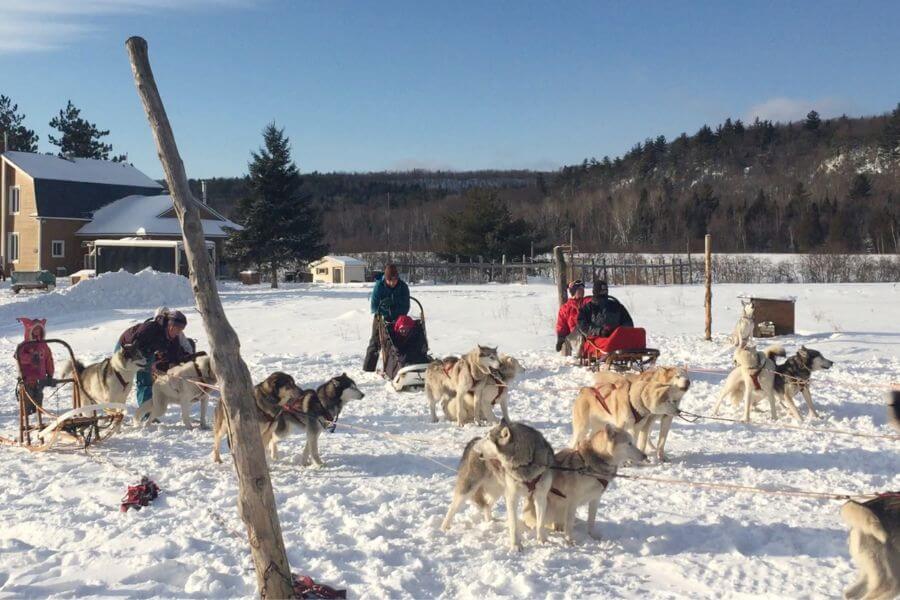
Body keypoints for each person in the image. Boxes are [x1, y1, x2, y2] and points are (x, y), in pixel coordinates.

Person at [118, 309, 193, 407]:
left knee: (146, 381)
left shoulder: (174, 339)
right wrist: (146, 365)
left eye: (182, 329)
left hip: (147, 352)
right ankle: (114, 405)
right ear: (171, 326)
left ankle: (146, 412)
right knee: (120, 379)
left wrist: (174, 370)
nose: (179, 332)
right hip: (126, 347)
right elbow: (134, 345)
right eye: (178, 329)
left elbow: (174, 357)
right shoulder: (151, 328)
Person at [363, 263, 410, 372]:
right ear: (386, 279)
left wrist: (393, 305)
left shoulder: (403, 287)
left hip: (398, 319)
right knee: (375, 342)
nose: (392, 283)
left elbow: (406, 306)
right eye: (390, 280)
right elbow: (374, 307)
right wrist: (384, 310)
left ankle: (399, 366)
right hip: (381, 317)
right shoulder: (379, 286)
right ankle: (368, 368)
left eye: (395, 280)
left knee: (399, 342)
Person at [16, 318, 54, 416]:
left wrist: (50, 374)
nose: (37, 332)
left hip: (40, 377)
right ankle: (27, 417)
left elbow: (48, 359)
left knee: (38, 398)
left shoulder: (44, 346)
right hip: (27, 379)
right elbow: (19, 357)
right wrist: (30, 358)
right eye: (35, 330)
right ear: (30, 331)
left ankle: (38, 416)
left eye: (39, 330)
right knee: (28, 400)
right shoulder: (24, 345)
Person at [555, 280, 591, 355]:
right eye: (579, 289)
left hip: (588, 330)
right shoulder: (566, 308)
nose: (582, 291)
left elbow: (594, 301)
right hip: (574, 334)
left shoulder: (587, 302)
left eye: (583, 289)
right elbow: (561, 324)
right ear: (574, 292)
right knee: (577, 338)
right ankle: (580, 355)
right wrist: (561, 337)